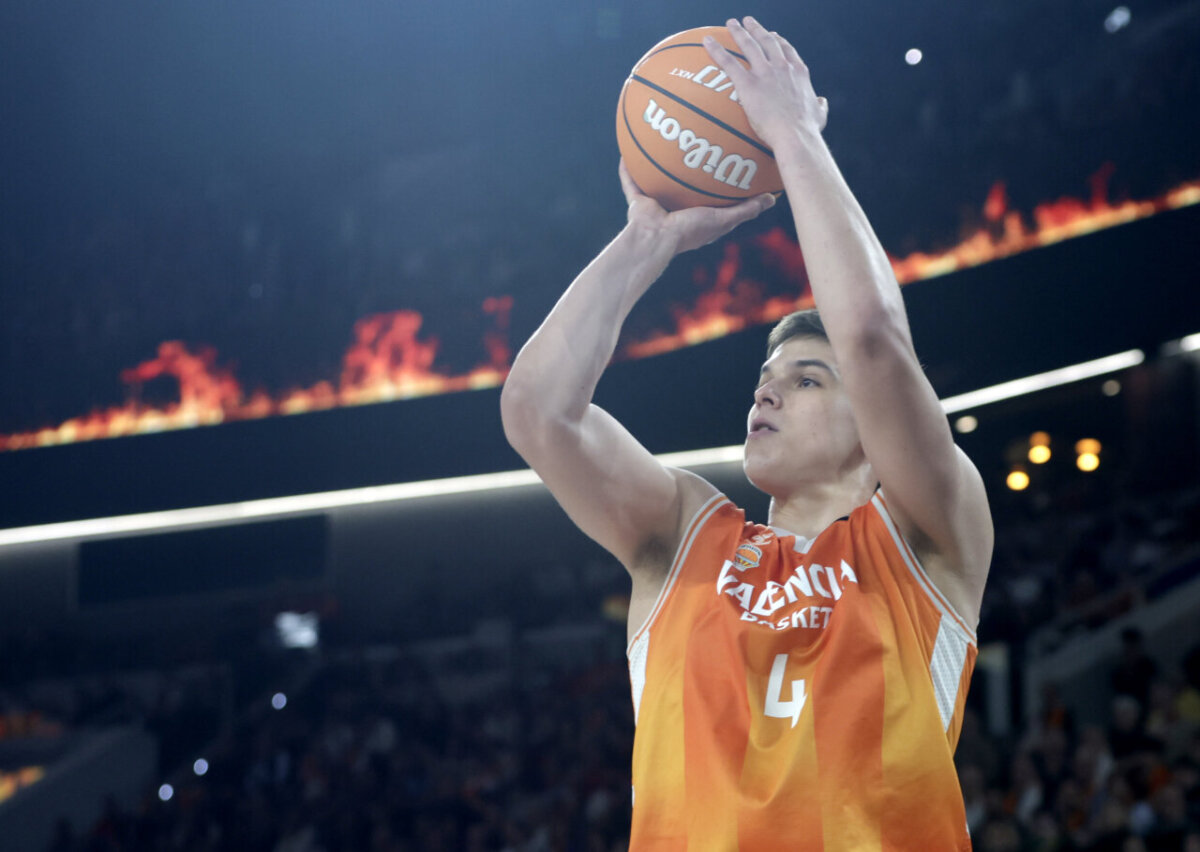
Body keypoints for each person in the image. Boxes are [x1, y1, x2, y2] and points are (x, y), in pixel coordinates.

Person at [500, 17, 993, 850]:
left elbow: (872, 337)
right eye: (767, 378)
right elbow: (537, 412)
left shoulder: (925, 537)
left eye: (808, 380)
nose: (768, 392)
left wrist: (793, 135)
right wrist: (644, 241)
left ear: (873, 429)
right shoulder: (684, 536)